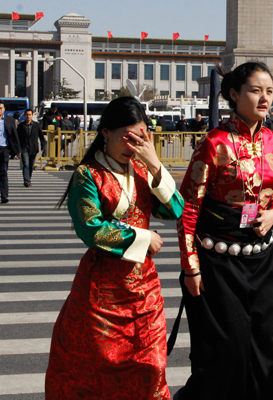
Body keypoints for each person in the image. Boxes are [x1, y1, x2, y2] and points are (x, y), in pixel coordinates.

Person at [45, 97, 184, 399]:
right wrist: (144, 238)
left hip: (145, 289)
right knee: (95, 369)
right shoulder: (88, 174)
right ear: (105, 133)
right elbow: (91, 229)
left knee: (152, 366)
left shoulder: (144, 170)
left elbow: (174, 210)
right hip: (102, 292)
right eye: (128, 136)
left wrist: (154, 162)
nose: (134, 144)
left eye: (142, 136)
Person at [176, 62, 273, 400]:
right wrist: (190, 267)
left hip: (262, 259)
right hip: (218, 263)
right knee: (227, 352)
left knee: (268, 349)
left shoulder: (272, 141)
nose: (264, 97)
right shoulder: (214, 143)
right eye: (255, 90)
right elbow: (188, 207)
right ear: (234, 95)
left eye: (268, 91)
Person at [17, 109, 45, 187]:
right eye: (26, 114)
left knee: (31, 165)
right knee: (26, 164)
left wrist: (43, 146)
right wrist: (17, 149)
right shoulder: (21, 126)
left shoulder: (36, 125)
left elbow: (41, 137)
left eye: (29, 114)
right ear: (24, 115)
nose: (28, 116)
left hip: (33, 147)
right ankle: (26, 180)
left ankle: (28, 177)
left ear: (32, 115)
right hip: (24, 147)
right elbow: (17, 138)